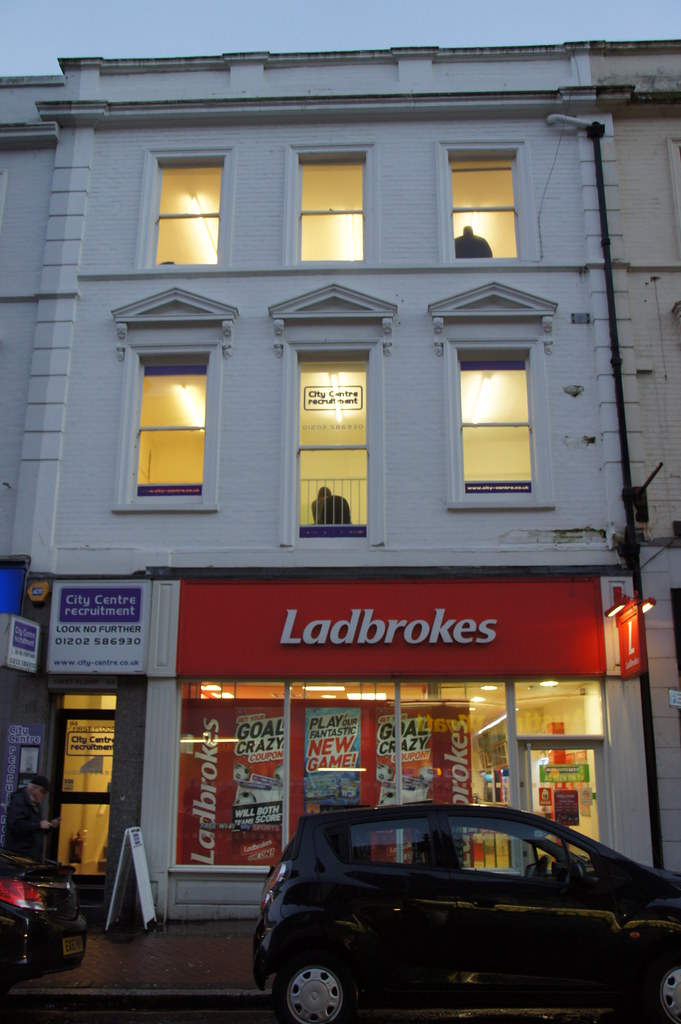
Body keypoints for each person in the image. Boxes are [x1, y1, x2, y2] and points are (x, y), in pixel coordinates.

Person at [4, 774, 60, 860]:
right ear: (34, 788)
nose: (44, 795)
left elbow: (36, 830)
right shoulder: (19, 802)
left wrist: (50, 826)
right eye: (43, 791)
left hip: (32, 857)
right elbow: (16, 826)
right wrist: (39, 825)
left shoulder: (36, 805)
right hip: (20, 857)